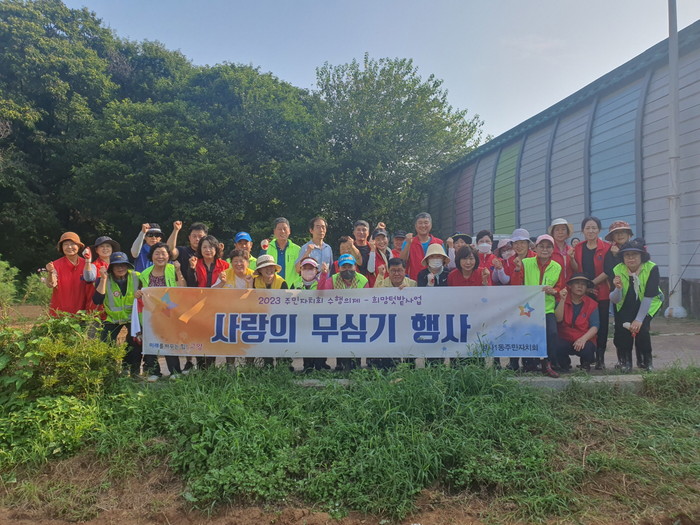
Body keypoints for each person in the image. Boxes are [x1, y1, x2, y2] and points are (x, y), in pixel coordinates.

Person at [610, 238, 663, 372]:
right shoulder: (617, 269)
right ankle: (626, 362)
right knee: (623, 331)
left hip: (648, 302)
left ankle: (647, 361)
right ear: (622, 257)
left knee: (642, 329)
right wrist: (618, 289)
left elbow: (649, 295)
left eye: (635, 254)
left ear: (642, 256)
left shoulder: (652, 268)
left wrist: (639, 319)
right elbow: (614, 299)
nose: (631, 258)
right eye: (627, 255)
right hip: (625, 303)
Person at [135, 242, 186, 378]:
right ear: (151, 256)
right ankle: (154, 372)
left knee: (170, 341)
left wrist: (179, 271)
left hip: (170, 313)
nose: (160, 256)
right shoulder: (144, 274)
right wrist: (138, 293)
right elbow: (140, 292)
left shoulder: (173, 269)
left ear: (168, 256)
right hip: (151, 314)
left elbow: (183, 288)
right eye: (157, 253)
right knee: (151, 341)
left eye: (163, 253)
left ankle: (175, 371)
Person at [521, 234, 564, 378]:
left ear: (553, 249)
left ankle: (548, 363)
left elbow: (560, 287)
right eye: (542, 246)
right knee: (529, 333)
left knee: (552, 334)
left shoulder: (557, 267)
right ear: (536, 248)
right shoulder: (526, 263)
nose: (545, 250)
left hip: (547, 308)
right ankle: (530, 363)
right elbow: (518, 282)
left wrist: (554, 291)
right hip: (528, 307)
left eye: (548, 247)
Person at [93, 252, 142, 377]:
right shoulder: (103, 279)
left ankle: (133, 370)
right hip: (112, 318)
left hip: (132, 317)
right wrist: (103, 279)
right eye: (116, 265)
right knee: (106, 341)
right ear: (111, 268)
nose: (120, 268)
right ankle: (110, 371)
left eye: (123, 265)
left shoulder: (137, 277)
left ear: (128, 266)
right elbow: (97, 300)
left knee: (135, 341)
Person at [573, 216, 612, 369]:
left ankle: (600, 358)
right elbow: (576, 269)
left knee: (602, 325)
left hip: (601, 292)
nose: (591, 231)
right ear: (583, 230)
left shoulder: (607, 247)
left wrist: (591, 284)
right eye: (587, 228)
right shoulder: (578, 248)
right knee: (584, 325)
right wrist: (585, 287)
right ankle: (586, 358)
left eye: (594, 228)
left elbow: (608, 270)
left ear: (599, 230)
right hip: (583, 293)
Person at [320, 254, 367, 371]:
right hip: (338, 318)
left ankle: (356, 366)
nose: (347, 269)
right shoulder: (332, 280)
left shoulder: (363, 280)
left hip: (357, 318)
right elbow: (322, 295)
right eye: (344, 267)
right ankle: (340, 365)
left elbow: (367, 301)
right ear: (338, 268)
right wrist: (323, 275)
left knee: (356, 343)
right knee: (340, 343)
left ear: (355, 267)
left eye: (349, 266)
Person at [603, 220, 635, 368]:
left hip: (637, 295)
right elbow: (609, 271)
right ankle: (623, 360)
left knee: (640, 328)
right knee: (621, 329)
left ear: (629, 234)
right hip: (619, 295)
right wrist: (616, 256)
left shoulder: (637, 249)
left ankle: (643, 360)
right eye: (616, 233)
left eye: (623, 232)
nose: (620, 235)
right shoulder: (610, 253)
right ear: (612, 237)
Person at [291, 257, 331, 371]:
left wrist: (324, 274)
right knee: (306, 342)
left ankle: (320, 365)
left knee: (320, 342)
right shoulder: (295, 283)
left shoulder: (321, 282)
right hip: (303, 319)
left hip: (319, 318)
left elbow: (323, 294)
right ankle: (307, 365)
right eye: (305, 268)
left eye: (311, 268)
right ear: (300, 270)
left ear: (316, 270)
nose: (308, 271)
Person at [555, 274, 599, 372]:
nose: (580, 286)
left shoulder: (592, 304)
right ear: (570, 286)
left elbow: (595, 326)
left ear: (586, 288)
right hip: (564, 337)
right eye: (577, 283)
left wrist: (583, 339)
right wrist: (562, 300)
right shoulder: (561, 299)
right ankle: (564, 363)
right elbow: (558, 319)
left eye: (583, 284)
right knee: (556, 344)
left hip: (582, 338)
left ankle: (585, 363)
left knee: (588, 348)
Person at [44, 232, 91, 316]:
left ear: (79, 246)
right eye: (66, 244)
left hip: (83, 313)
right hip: (60, 313)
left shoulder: (87, 264)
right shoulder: (55, 265)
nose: (69, 247)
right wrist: (50, 272)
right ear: (61, 247)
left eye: (72, 244)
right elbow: (51, 284)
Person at [401, 212, 444, 281]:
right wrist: (408, 243)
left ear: (431, 225)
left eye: (426, 223)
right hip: (415, 282)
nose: (423, 226)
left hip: (436, 282)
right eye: (420, 223)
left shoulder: (439, 243)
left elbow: (444, 263)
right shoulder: (408, 241)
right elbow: (402, 262)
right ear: (415, 226)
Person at [84, 235, 121, 315]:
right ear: (96, 250)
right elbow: (88, 278)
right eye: (102, 246)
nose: (105, 248)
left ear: (112, 249)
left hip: (114, 309)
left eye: (108, 246)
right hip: (97, 309)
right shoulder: (93, 266)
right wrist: (87, 260)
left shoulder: (118, 266)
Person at [262, 218, 301, 287]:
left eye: (285, 229)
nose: (282, 231)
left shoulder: (297, 249)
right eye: (279, 229)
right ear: (274, 231)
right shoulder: (267, 248)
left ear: (289, 231)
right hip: (272, 288)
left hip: (292, 289)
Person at [168, 221, 208, 288]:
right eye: (194, 236)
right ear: (189, 238)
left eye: (200, 236)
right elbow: (169, 250)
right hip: (184, 289)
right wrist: (176, 230)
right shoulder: (182, 251)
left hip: (205, 290)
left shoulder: (208, 254)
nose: (197, 239)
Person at [548, 218, 576, 282]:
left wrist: (572, 259)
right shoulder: (548, 250)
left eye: (563, 229)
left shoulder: (571, 250)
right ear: (552, 233)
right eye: (557, 230)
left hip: (569, 285)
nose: (560, 232)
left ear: (567, 233)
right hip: (553, 285)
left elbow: (576, 269)